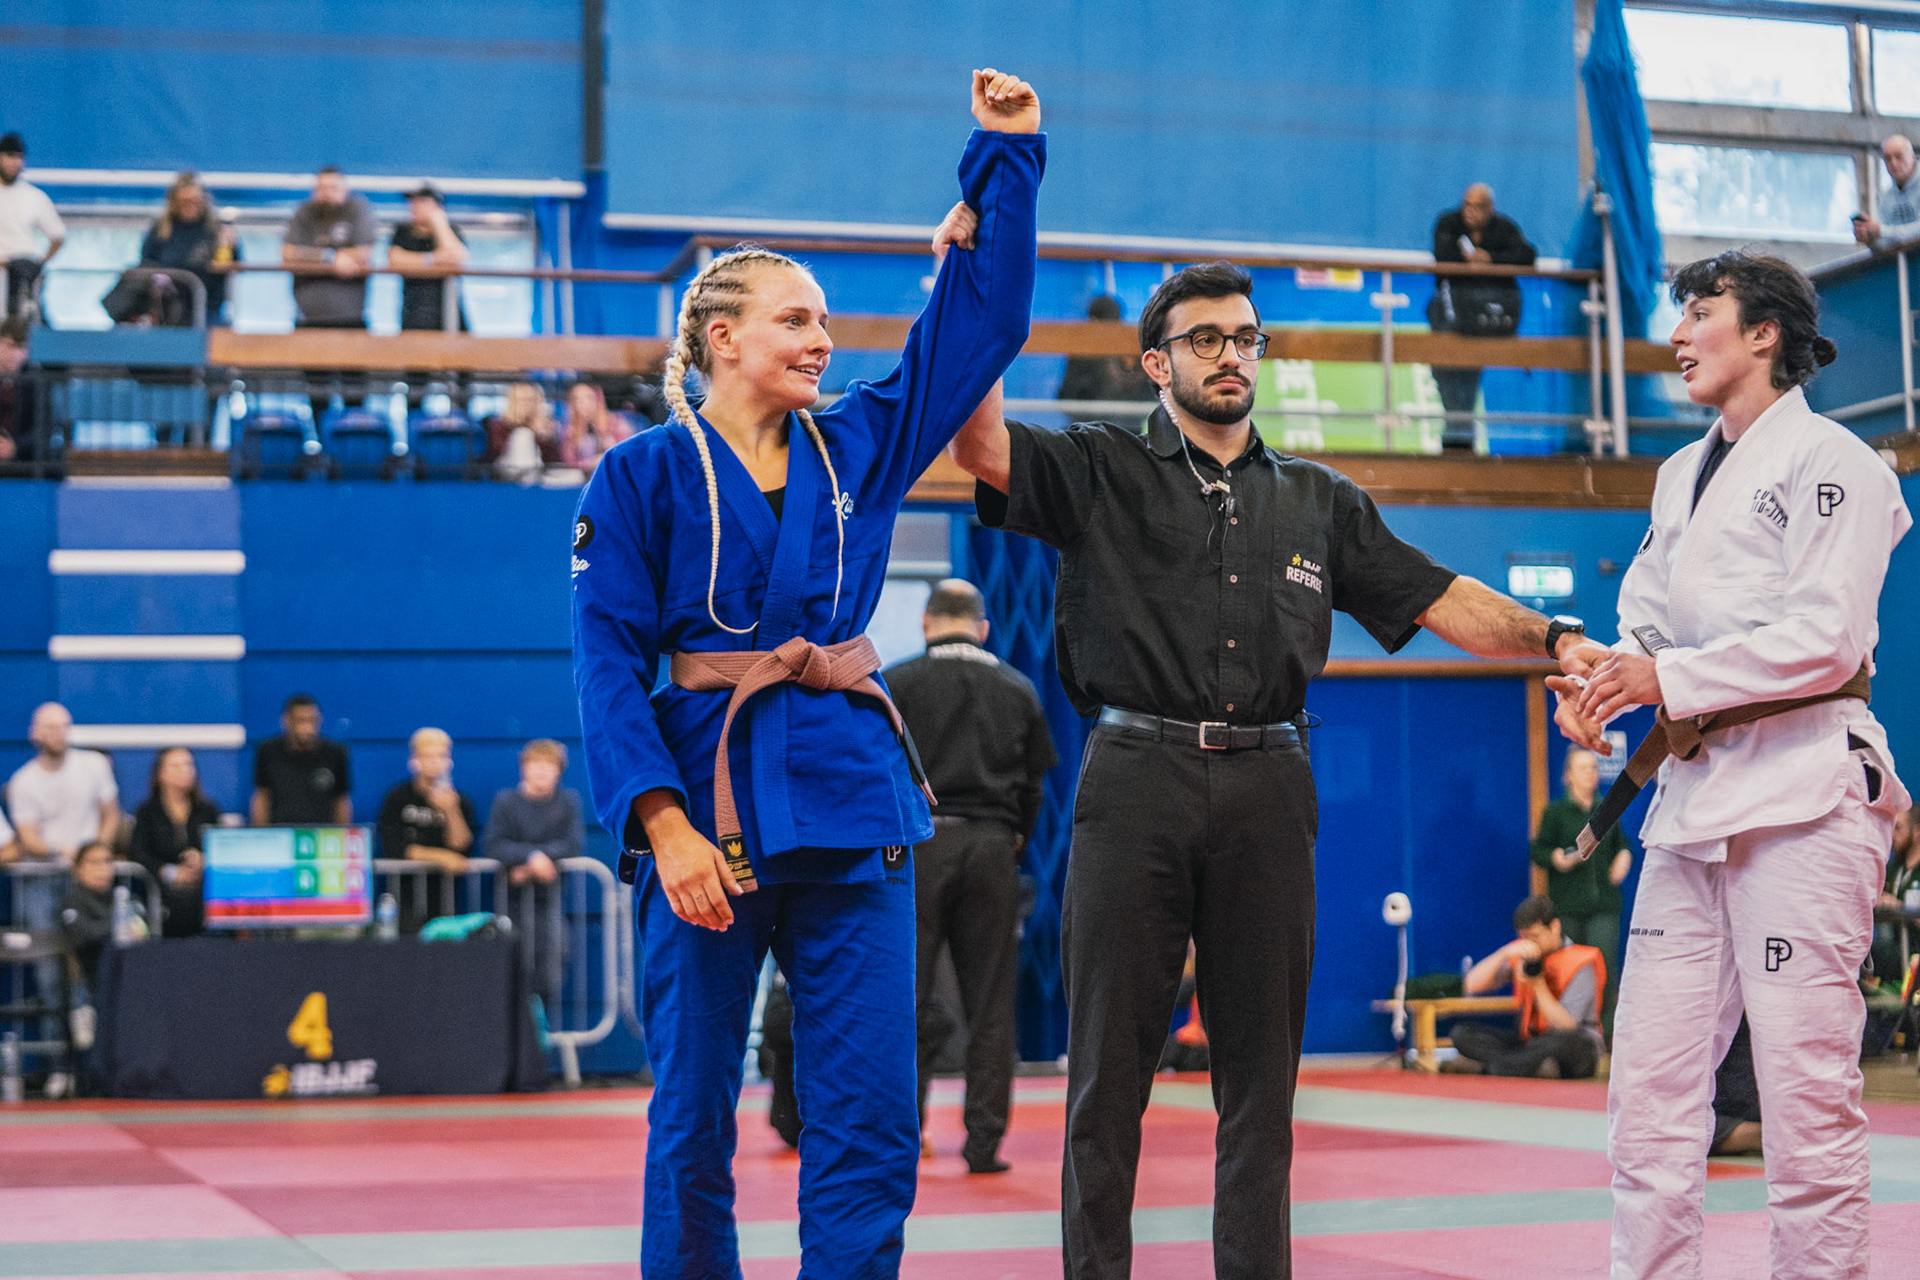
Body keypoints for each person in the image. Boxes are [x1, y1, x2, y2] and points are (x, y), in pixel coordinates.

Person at [948, 259, 1605, 1279]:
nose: (1231, 355)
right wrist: (977, 284)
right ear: (1156, 362)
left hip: (1270, 788)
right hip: (1135, 778)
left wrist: (1558, 638)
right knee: (1106, 1081)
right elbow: (979, 444)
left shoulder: (1318, 500)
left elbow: (1439, 596)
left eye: (1246, 337)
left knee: (1262, 1089)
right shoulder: (1098, 468)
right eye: (1205, 338)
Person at [571, 68, 1042, 1278]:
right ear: (721, 337)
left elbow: (981, 328)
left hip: (851, 805)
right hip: (707, 809)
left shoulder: (859, 443)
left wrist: (1003, 157)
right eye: (796, 320)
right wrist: (661, 824)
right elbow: (607, 661)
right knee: (691, 1119)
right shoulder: (639, 474)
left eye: (827, 322)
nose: (823, 340)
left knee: (871, 1117)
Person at [1554, 249, 1908, 1279]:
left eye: (1698, 311)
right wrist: (1604, 686)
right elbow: (1646, 622)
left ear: (1764, 332)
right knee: (1650, 1096)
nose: (1677, 334)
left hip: (1803, 795)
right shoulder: (1679, 475)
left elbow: (1829, 639)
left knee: (1805, 1097)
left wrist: (1664, 678)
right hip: (1692, 801)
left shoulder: (1839, 462)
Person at [884, 577, 1057, 1175]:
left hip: (919, 846)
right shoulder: (1018, 686)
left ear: (926, 622)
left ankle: (904, 1135)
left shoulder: (897, 684)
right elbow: (1035, 785)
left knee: (906, 997)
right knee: (990, 1003)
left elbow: (880, 772)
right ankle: (984, 1143)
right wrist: (1013, 840)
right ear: (983, 627)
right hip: (991, 846)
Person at [7, 702, 119, 1079]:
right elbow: (28, 838)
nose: (59, 734)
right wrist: (64, 851)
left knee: (100, 966)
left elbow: (110, 814)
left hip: (89, 884)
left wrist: (95, 858)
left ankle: (103, 1065)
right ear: (35, 733)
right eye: (50, 727)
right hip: (43, 883)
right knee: (50, 974)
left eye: (64, 726)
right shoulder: (24, 781)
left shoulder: (94, 766)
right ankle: (60, 1067)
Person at [1447, 894, 1605, 1079]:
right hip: (1529, 1043)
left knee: (1564, 1043)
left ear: (1554, 927)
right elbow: (1471, 984)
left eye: (1535, 937)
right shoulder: (1522, 956)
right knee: (1462, 1033)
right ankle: (1527, 1066)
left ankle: (1493, 1067)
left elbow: (1567, 1025)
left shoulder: (1582, 962)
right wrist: (1504, 953)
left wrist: (1537, 984)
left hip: (1571, 1043)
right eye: (1524, 938)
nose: (1530, 943)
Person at [1426, 183, 1536, 449]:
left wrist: (1490, 259)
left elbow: (1527, 255)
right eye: (1467, 205)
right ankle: (1458, 433)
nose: (1471, 211)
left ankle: (1459, 437)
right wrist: (1468, 261)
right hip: (1450, 316)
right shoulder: (1448, 223)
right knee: (1445, 372)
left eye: (1478, 206)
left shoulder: (1504, 228)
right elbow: (1442, 255)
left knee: (1469, 375)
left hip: (1484, 320)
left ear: (1490, 209)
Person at [1530, 747, 1630, 1030]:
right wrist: (1555, 858)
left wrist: (1624, 857)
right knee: (1569, 969)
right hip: (1568, 907)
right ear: (1568, 776)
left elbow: (1622, 844)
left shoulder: (1607, 808)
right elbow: (1538, 851)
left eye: (1593, 768)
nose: (1590, 773)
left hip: (1604, 906)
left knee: (1605, 970)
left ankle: (1606, 1037)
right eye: (1583, 768)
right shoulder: (1556, 812)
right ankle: (1567, 1034)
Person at [483, 738, 584, 1016]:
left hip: (550, 903)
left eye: (548, 765)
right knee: (510, 969)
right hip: (510, 903)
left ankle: (537, 1033)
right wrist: (531, 857)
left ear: (559, 771)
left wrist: (535, 862)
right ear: (523, 768)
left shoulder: (568, 802)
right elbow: (494, 844)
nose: (541, 770)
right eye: (534, 764)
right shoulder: (505, 801)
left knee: (550, 971)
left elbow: (572, 844)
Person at [283, 166, 378, 426]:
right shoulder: (304, 212)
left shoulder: (357, 209)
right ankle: (319, 443)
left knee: (355, 393)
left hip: (350, 319)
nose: (326, 194)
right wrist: (331, 258)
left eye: (333, 188)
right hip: (309, 320)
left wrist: (310, 259)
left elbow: (363, 254)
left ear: (344, 189)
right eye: (321, 188)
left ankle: (352, 444)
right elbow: (289, 254)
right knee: (316, 394)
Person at [376, 728, 477, 932]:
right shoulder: (397, 798)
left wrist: (451, 811)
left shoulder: (460, 801)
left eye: (441, 756)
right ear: (414, 761)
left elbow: (461, 849)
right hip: (404, 897)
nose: (434, 762)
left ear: (449, 761)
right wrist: (440, 857)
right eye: (428, 756)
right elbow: (393, 846)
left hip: (445, 898)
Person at [113, 173, 236, 324]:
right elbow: (147, 262)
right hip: (169, 308)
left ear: (203, 200)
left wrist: (232, 246)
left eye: (194, 201)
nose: (189, 205)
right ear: (174, 201)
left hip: (208, 308)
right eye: (184, 201)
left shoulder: (216, 230)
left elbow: (232, 265)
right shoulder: (161, 229)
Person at [127, 746, 221, 938]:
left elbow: (221, 849)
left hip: (202, 889)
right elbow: (137, 853)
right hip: (162, 891)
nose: (184, 770)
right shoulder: (147, 813)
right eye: (176, 766)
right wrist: (169, 872)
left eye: (188, 765)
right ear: (160, 773)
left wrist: (204, 859)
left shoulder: (207, 810)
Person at [251, 693, 352, 826]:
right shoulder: (267, 751)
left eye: (312, 720)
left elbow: (341, 800)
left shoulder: (335, 753)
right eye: (300, 720)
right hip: (281, 832)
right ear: (286, 721)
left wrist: (343, 832)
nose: (307, 728)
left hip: (321, 833)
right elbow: (262, 797)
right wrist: (262, 833)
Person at [386, 184, 468, 332]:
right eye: (412, 202)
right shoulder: (403, 231)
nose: (414, 206)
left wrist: (439, 222)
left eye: (421, 202)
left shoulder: (451, 230)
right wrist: (433, 259)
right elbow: (394, 259)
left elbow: (457, 257)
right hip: (413, 314)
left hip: (448, 314)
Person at [0, 132, 63, 322]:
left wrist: (39, 263)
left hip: (21, 273)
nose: (15, 163)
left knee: (18, 326)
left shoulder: (33, 196)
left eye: (19, 157)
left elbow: (58, 235)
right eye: (10, 156)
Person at [1057, 295, 1157, 405]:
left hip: (1098, 412)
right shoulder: (1135, 344)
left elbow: (1068, 394)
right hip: (1125, 412)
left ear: (1094, 321)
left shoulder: (1084, 350)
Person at [57, 841, 117, 997]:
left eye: (107, 861)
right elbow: (84, 933)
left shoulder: (123, 899)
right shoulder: (71, 902)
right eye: (94, 862)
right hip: (85, 981)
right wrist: (120, 925)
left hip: (122, 977)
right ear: (77, 869)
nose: (102, 868)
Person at [1872, 807, 1919, 984]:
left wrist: (1899, 907)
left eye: (1898, 828)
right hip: (1892, 951)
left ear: (1917, 832)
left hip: (1914, 954)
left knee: (1878, 955)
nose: (1892, 835)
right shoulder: (1891, 870)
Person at [482, 382, 563, 479]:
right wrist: (529, 431)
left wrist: (543, 439)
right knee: (523, 434)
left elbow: (552, 461)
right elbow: (495, 453)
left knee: (572, 475)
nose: (526, 404)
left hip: (537, 472)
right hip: (507, 470)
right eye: (521, 400)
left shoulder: (545, 424)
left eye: (530, 400)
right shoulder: (500, 424)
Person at [1852, 135, 1920, 247]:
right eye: (1888, 158)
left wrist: (1881, 231)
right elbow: (1886, 245)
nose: (1893, 163)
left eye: (1899, 156)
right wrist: (1870, 237)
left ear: (1912, 157)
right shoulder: (1886, 197)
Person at [559, 381, 634, 474]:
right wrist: (590, 464)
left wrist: (607, 457)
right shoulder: (570, 431)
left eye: (588, 398)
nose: (583, 404)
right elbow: (570, 463)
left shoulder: (616, 424)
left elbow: (627, 454)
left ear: (598, 400)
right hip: (583, 478)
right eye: (577, 400)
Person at [0, 316, 34, 465]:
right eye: (10, 346)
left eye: (21, 347)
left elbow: (43, 430)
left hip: (23, 463)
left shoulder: (35, 382)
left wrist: (15, 447)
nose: (16, 354)